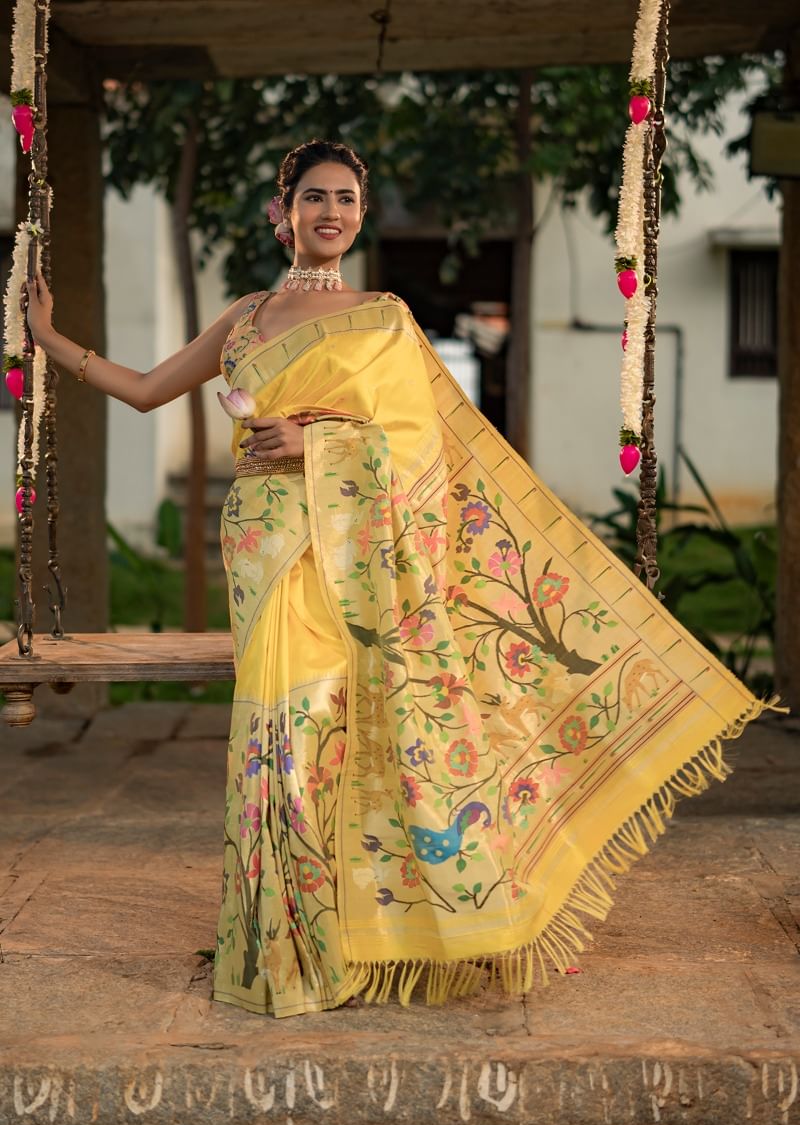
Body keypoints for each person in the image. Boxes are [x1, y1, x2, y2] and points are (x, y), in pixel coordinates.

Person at [25, 139, 770, 1020]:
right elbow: (148, 389)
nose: (329, 212)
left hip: (355, 555)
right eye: (313, 198)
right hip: (268, 552)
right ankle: (282, 943)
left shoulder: (383, 319)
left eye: (345, 198)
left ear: (361, 215)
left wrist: (318, 441)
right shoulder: (245, 316)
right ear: (282, 211)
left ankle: (354, 933)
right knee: (278, 740)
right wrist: (48, 339)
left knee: (334, 735)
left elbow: (425, 450)